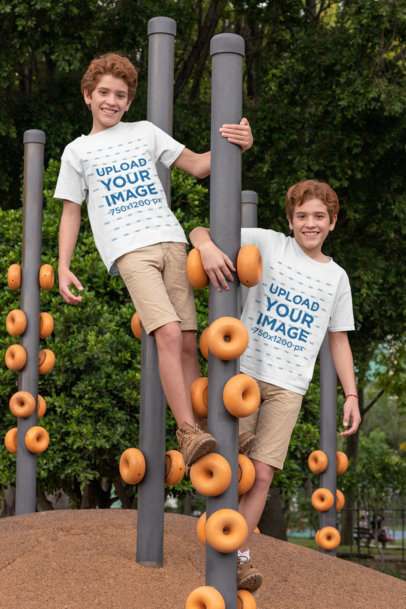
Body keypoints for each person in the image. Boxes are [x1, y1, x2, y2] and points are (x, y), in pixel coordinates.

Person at [54, 52, 253, 469]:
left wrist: (237, 142)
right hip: (131, 251)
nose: (111, 100)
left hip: (172, 242)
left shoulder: (144, 132)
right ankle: (188, 431)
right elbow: (71, 210)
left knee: (186, 341)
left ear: (129, 102)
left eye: (120, 95)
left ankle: (214, 426)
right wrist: (63, 264)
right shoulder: (78, 151)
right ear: (88, 96)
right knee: (164, 333)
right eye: (104, 92)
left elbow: (199, 166)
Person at [190, 179, 361, 592]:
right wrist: (207, 246)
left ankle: (238, 550)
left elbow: (338, 339)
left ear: (332, 222)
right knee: (234, 468)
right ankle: (219, 544)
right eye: (302, 216)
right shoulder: (267, 244)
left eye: (319, 216)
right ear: (289, 220)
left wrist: (351, 394)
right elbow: (200, 231)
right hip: (244, 372)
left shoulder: (336, 278)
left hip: (289, 386)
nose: (310, 223)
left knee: (263, 473)